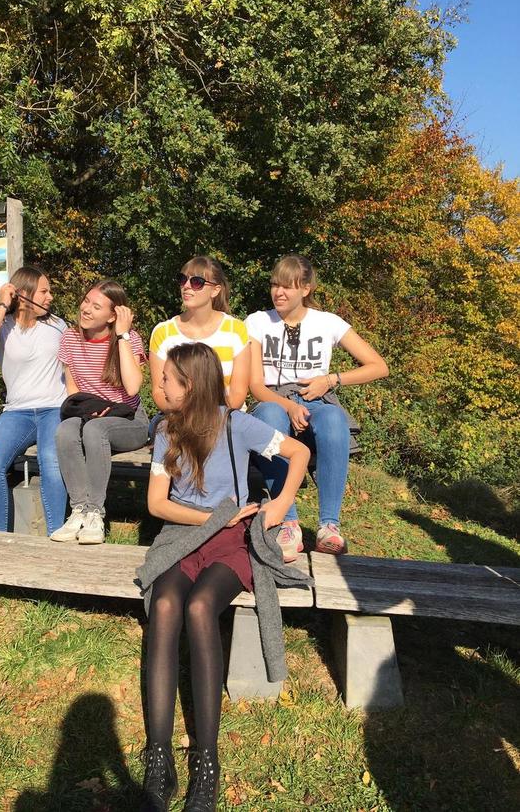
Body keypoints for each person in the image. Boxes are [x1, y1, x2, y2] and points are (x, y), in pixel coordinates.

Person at [138, 343, 310, 812]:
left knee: (199, 607)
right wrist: (209, 519)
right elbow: (157, 504)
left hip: (230, 541)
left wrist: (278, 506)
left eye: (167, 379)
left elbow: (297, 453)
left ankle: (206, 762)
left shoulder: (236, 423)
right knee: (166, 605)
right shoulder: (167, 431)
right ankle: (159, 758)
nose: (159, 386)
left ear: (190, 385)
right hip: (183, 535)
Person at [245, 253, 389, 559]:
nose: (278, 292)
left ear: (306, 289)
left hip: (316, 399)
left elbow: (378, 366)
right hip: (273, 399)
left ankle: (329, 526)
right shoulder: (257, 322)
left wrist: (332, 379)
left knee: (334, 417)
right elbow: (255, 385)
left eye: (287, 286)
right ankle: (288, 522)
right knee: (269, 416)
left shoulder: (328, 322)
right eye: (275, 285)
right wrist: (288, 406)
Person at [51, 280, 149, 545]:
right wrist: (83, 412)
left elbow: (133, 387)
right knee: (64, 430)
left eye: (96, 306)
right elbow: (73, 389)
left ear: (112, 315)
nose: (86, 309)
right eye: (86, 301)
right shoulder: (70, 337)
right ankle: (79, 511)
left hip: (129, 419)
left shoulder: (129, 339)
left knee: (95, 430)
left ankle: (96, 513)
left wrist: (123, 335)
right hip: (89, 415)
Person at [0, 266, 68, 535]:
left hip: (54, 408)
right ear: (24, 294)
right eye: (44, 291)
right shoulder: (3, 325)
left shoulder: (57, 324)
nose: (50, 296)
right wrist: (4, 304)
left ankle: (56, 535)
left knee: (51, 461)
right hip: (17, 412)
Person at [149, 257, 250, 413]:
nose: (186, 286)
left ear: (215, 290)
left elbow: (238, 394)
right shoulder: (163, 332)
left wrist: (209, 417)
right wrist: (188, 415)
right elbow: (159, 392)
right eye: (182, 279)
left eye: (197, 282)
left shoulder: (236, 329)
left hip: (225, 416)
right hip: (178, 416)